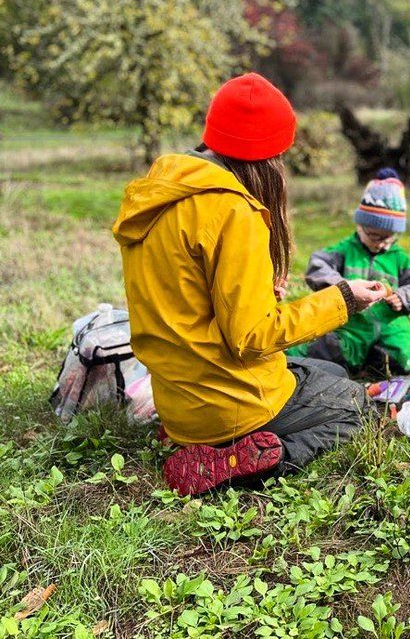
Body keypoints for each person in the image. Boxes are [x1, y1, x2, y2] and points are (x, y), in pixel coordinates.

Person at [113, 73, 387, 496]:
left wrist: (259, 288)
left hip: (178, 402)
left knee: (330, 370)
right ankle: (243, 461)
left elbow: (188, 299)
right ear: (264, 157)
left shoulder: (162, 196)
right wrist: (343, 300)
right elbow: (253, 336)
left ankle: (198, 440)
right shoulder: (232, 212)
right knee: (356, 406)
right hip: (225, 403)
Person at [290, 169, 410, 376]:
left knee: (403, 352)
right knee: (331, 348)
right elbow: (318, 266)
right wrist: (344, 289)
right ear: (359, 225)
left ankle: (377, 363)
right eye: (373, 236)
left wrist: (403, 297)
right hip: (352, 322)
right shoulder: (345, 250)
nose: (379, 244)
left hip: (390, 322)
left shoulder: (398, 257)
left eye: (386, 238)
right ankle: (347, 362)